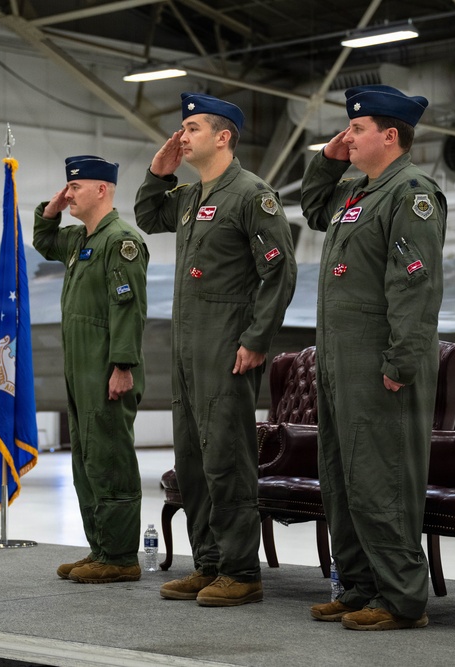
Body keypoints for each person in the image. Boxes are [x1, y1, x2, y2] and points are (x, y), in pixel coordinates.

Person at [134, 93, 297, 606]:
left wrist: (256, 340)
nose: (183, 136)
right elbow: (147, 216)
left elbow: (280, 271)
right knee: (193, 461)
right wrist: (158, 172)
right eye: (182, 128)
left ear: (223, 136)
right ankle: (208, 563)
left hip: (226, 346)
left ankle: (241, 571)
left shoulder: (252, 195)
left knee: (227, 459)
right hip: (187, 349)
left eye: (193, 128)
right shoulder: (188, 196)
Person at [300, 85, 446, 631]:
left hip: (381, 364)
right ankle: (359, 585)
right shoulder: (358, 193)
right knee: (342, 477)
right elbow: (314, 209)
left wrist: (401, 362)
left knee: (382, 477)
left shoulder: (411, 193)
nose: (347, 135)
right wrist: (327, 160)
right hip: (341, 363)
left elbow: (416, 287)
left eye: (357, 129)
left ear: (390, 135)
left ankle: (403, 599)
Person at [34, 155, 150, 584]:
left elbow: (128, 309)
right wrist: (50, 208)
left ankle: (121, 558)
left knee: (110, 460)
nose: (69, 194)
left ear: (102, 190)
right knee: (86, 460)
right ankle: (101, 548)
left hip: (106, 369)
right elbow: (44, 242)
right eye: (68, 186)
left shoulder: (121, 240)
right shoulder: (81, 240)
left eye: (76, 187)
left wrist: (123, 366)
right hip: (80, 370)